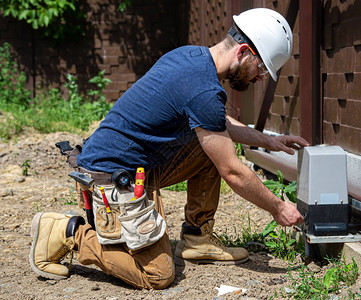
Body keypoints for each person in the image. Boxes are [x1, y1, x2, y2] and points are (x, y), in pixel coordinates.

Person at [29, 8, 307, 290]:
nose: (259, 78)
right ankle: (67, 232)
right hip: (109, 178)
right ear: (244, 51)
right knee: (158, 275)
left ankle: (197, 238)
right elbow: (233, 172)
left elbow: (216, 124)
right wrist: (278, 207)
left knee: (213, 146)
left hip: (134, 166)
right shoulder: (203, 89)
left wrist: (268, 141)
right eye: (260, 68)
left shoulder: (191, 57)